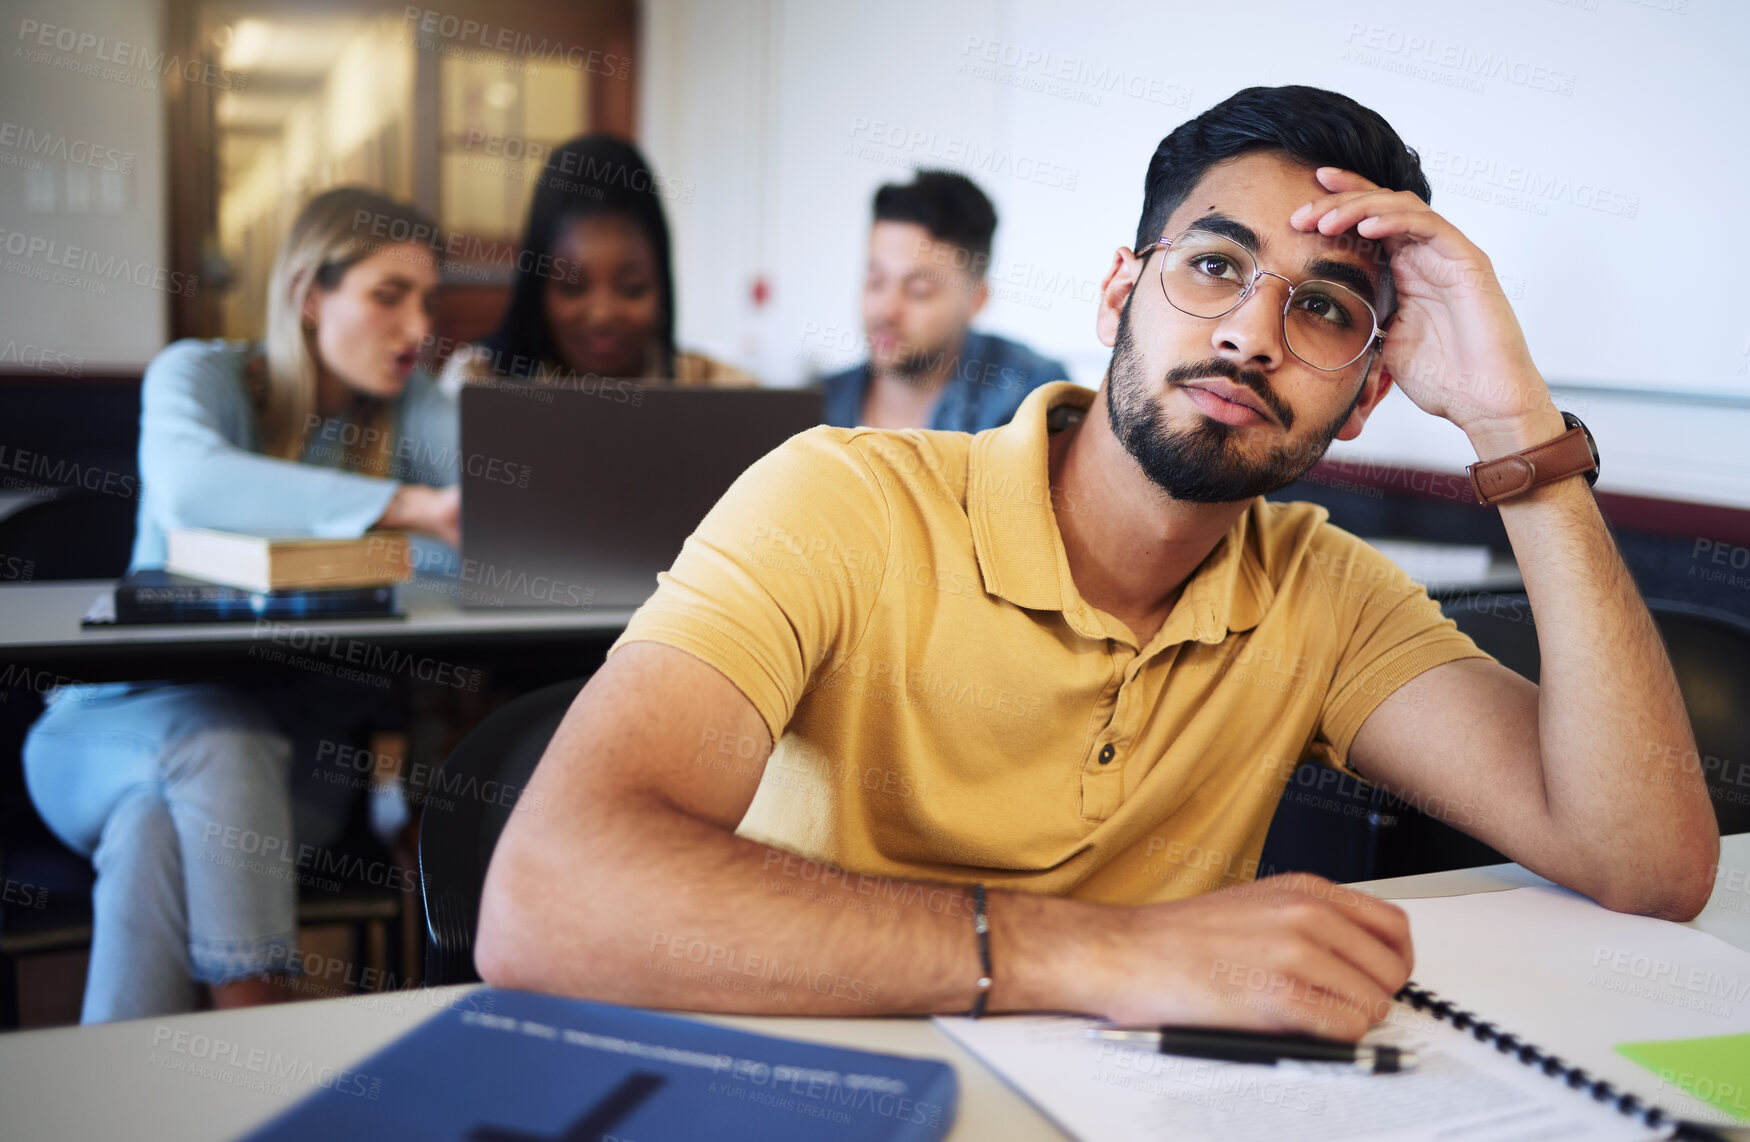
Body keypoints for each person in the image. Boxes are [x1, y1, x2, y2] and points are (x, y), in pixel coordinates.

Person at [475, 87, 1716, 1038]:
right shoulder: (839, 497)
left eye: (1324, 308)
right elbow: (547, 893)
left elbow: (1643, 860)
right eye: (1214, 264)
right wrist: (1105, 953)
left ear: (1366, 393)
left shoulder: (1322, 591)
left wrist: (1516, 428)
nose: (1249, 331)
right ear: (1122, 288)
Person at [23, 186, 460, 1023]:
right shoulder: (197, 376)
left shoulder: (412, 406)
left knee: (153, 832)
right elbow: (193, 488)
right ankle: (260, 1024)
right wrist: (406, 509)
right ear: (307, 296)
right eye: (387, 296)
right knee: (217, 737)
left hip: (298, 773)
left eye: (428, 301)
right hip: (104, 734)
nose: (416, 330)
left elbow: (491, 520)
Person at [442, 134, 756, 389]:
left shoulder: (722, 391)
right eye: (572, 288)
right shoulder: (478, 382)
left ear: (662, 282)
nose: (602, 315)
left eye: (632, 289)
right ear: (538, 285)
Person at [819, 169, 1068, 431]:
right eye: (875, 282)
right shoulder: (821, 403)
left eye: (919, 290)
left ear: (976, 300)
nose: (887, 310)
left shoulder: (1030, 398)